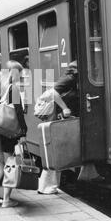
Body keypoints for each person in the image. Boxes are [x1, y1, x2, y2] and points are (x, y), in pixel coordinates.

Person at [0, 60, 27, 208]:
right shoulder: (13, 89)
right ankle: (7, 200)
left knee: (2, 163)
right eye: (19, 74)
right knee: (10, 165)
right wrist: (24, 132)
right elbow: (19, 113)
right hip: (7, 133)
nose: (20, 77)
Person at [37, 60, 78, 195]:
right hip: (54, 115)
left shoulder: (71, 77)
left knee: (55, 151)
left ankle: (50, 186)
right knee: (54, 152)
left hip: (56, 115)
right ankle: (45, 187)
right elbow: (53, 92)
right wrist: (65, 108)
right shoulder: (70, 78)